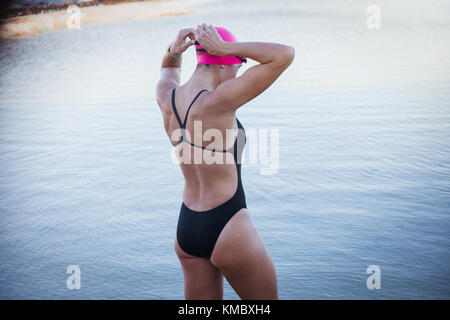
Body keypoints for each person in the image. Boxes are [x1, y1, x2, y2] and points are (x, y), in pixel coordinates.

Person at [155, 23, 294, 299]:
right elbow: (284, 55)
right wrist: (226, 48)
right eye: (238, 65)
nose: (239, 71)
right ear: (223, 62)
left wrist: (174, 49)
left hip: (187, 230)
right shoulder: (218, 101)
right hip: (228, 225)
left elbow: (168, 70)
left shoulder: (167, 97)